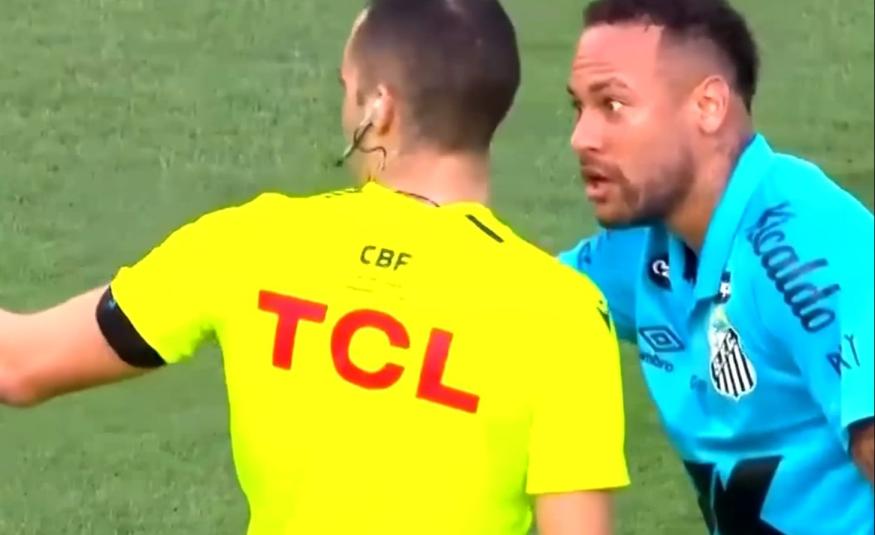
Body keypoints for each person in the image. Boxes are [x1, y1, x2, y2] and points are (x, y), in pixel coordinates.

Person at [0, 1, 630, 534]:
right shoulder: (564, 314)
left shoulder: (251, 243)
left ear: (378, 109)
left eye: (345, 88)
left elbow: (17, 364)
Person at [559, 0, 874, 533]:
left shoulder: (807, 251)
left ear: (708, 106)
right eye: (579, 108)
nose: (581, 137)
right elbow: (518, 298)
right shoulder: (642, 247)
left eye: (612, 105)